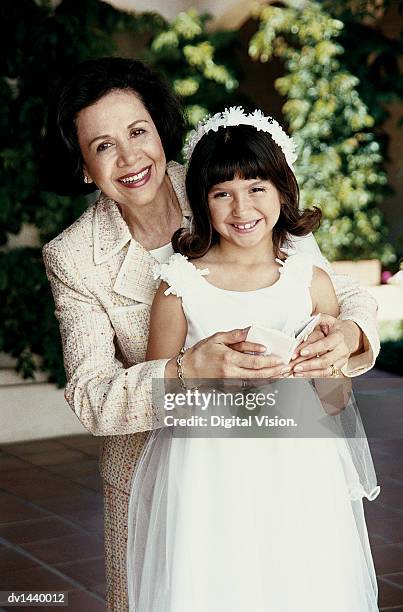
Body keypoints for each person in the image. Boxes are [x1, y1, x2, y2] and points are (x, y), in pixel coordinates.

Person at [41, 58, 379, 611]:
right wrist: (187, 370)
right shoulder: (76, 259)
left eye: (138, 131)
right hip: (176, 474)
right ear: (82, 166)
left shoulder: (219, 180)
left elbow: (333, 287)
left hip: (286, 462)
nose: (130, 158)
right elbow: (93, 397)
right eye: (102, 146)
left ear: (161, 132)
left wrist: (348, 333)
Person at [127, 108, 380, 611]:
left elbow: (335, 399)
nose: (240, 206)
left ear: (283, 192)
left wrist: (325, 364)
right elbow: (157, 398)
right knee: (217, 582)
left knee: (300, 580)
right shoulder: (180, 286)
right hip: (209, 469)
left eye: (256, 187)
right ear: (203, 202)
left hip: (299, 467)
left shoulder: (310, 282)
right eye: (222, 192)